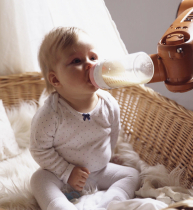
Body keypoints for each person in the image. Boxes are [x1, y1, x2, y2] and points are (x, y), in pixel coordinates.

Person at [29, 27, 140, 210]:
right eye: (77, 61)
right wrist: (67, 171)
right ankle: (60, 206)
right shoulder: (51, 114)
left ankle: (112, 202)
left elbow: (113, 132)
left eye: (93, 58)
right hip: (61, 175)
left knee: (132, 175)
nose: (90, 65)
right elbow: (39, 150)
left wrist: (108, 156)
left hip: (99, 170)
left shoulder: (108, 104)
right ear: (56, 80)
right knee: (38, 179)